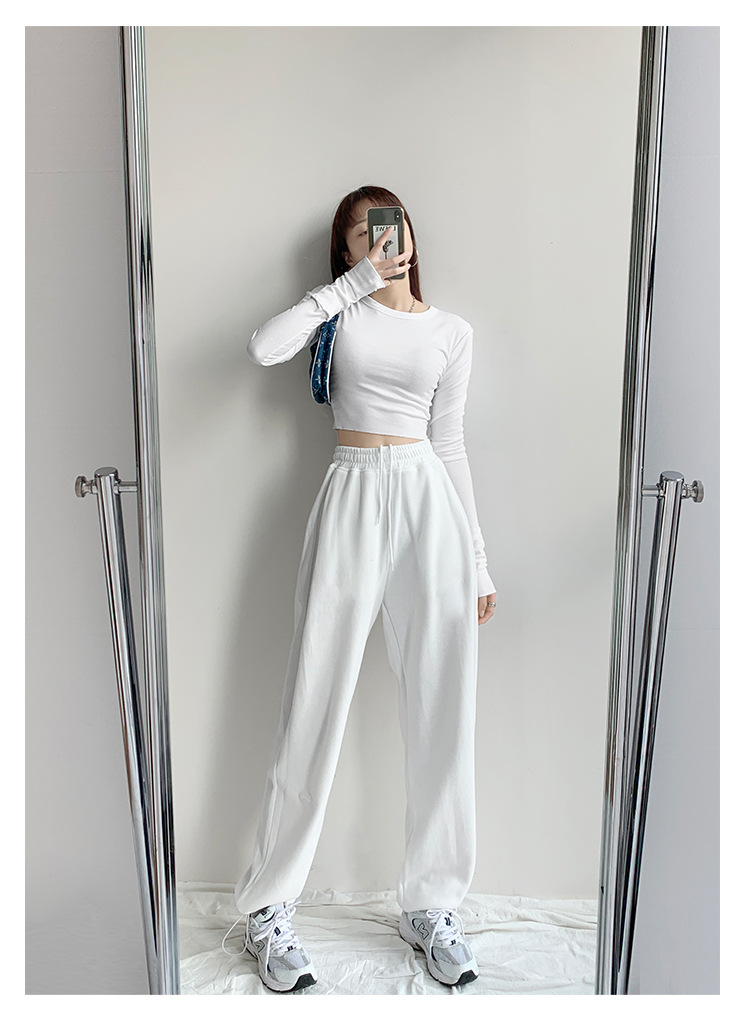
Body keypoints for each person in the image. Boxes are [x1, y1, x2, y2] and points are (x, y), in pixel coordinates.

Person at [221, 186, 497, 993]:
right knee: (314, 698)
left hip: (427, 499)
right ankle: (268, 906)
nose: (381, 238)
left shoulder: (451, 332)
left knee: (444, 702)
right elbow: (263, 348)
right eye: (360, 232)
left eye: (391, 224)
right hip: (351, 490)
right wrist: (352, 285)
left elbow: (451, 443)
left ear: (411, 232)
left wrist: (478, 560)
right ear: (346, 249)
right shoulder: (340, 312)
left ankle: (432, 904)